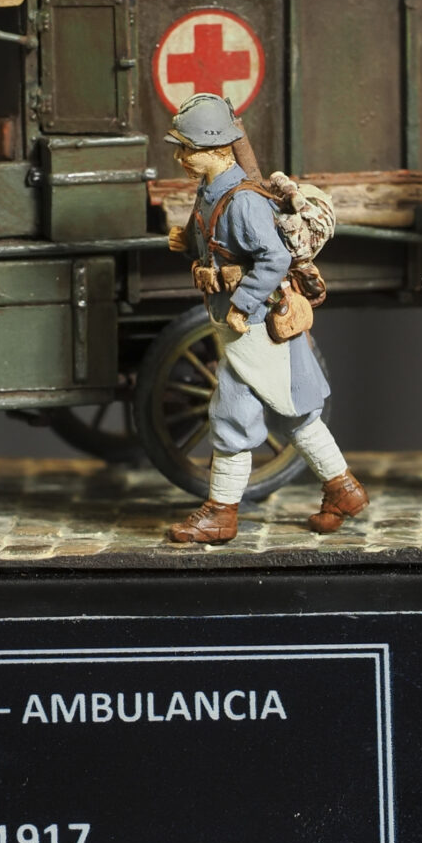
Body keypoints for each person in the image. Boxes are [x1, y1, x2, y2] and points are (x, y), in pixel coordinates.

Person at [160, 94, 368, 544]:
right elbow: (220, 244)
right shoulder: (212, 191)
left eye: (189, 149)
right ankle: (343, 490)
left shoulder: (243, 201)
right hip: (242, 323)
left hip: (256, 325)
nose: (181, 157)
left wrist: (242, 304)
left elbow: (273, 258)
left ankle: (222, 514)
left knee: (239, 416)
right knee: (294, 415)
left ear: (218, 149)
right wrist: (189, 243)